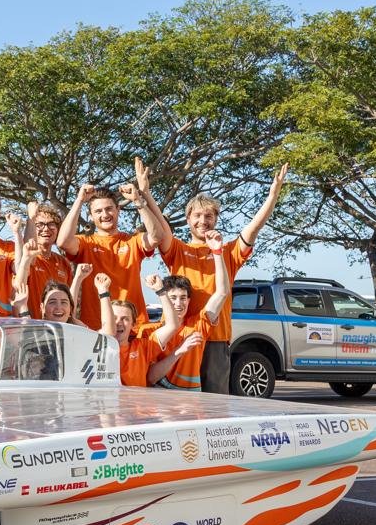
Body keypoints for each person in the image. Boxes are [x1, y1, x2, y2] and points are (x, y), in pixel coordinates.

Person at [145, 164, 288, 393]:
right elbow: (161, 228)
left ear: (216, 219)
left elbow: (253, 229)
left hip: (216, 338)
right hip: (179, 336)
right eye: (198, 215)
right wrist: (146, 193)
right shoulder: (178, 249)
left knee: (214, 400)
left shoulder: (228, 251)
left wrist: (272, 195)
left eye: (209, 216)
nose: (203, 220)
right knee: (175, 399)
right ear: (188, 218)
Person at [58, 157, 169, 331]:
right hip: (97, 326)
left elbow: (157, 236)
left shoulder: (132, 241)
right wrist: (79, 201)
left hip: (134, 326)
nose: (105, 214)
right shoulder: (85, 243)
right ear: (91, 216)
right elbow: (63, 241)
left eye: (109, 208)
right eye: (98, 211)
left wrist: (138, 201)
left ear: (118, 210)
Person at [144, 235, 234, 390]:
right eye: (173, 298)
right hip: (162, 399)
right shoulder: (153, 333)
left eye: (183, 298)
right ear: (164, 298)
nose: (178, 304)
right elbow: (151, 377)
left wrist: (217, 253)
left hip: (191, 399)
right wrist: (180, 351)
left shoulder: (198, 326)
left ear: (189, 300)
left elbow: (222, 293)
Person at [94, 273, 162, 388]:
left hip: (136, 405)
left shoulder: (143, 347)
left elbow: (172, 324)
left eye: (125, 319)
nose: (119, 322)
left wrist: (161, 290)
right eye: (114, 318)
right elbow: (108, 331)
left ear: (133, 324)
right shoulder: (96, 344)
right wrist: (103, 291)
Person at [19, 203, 72, 318]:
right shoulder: (28, 258)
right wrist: (31, 217)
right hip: (29, 325)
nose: (46, 229)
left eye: (51, 225)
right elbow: (28, 247)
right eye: (40, 225)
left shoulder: (63, 263)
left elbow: (69, 301)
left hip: (56, 328)